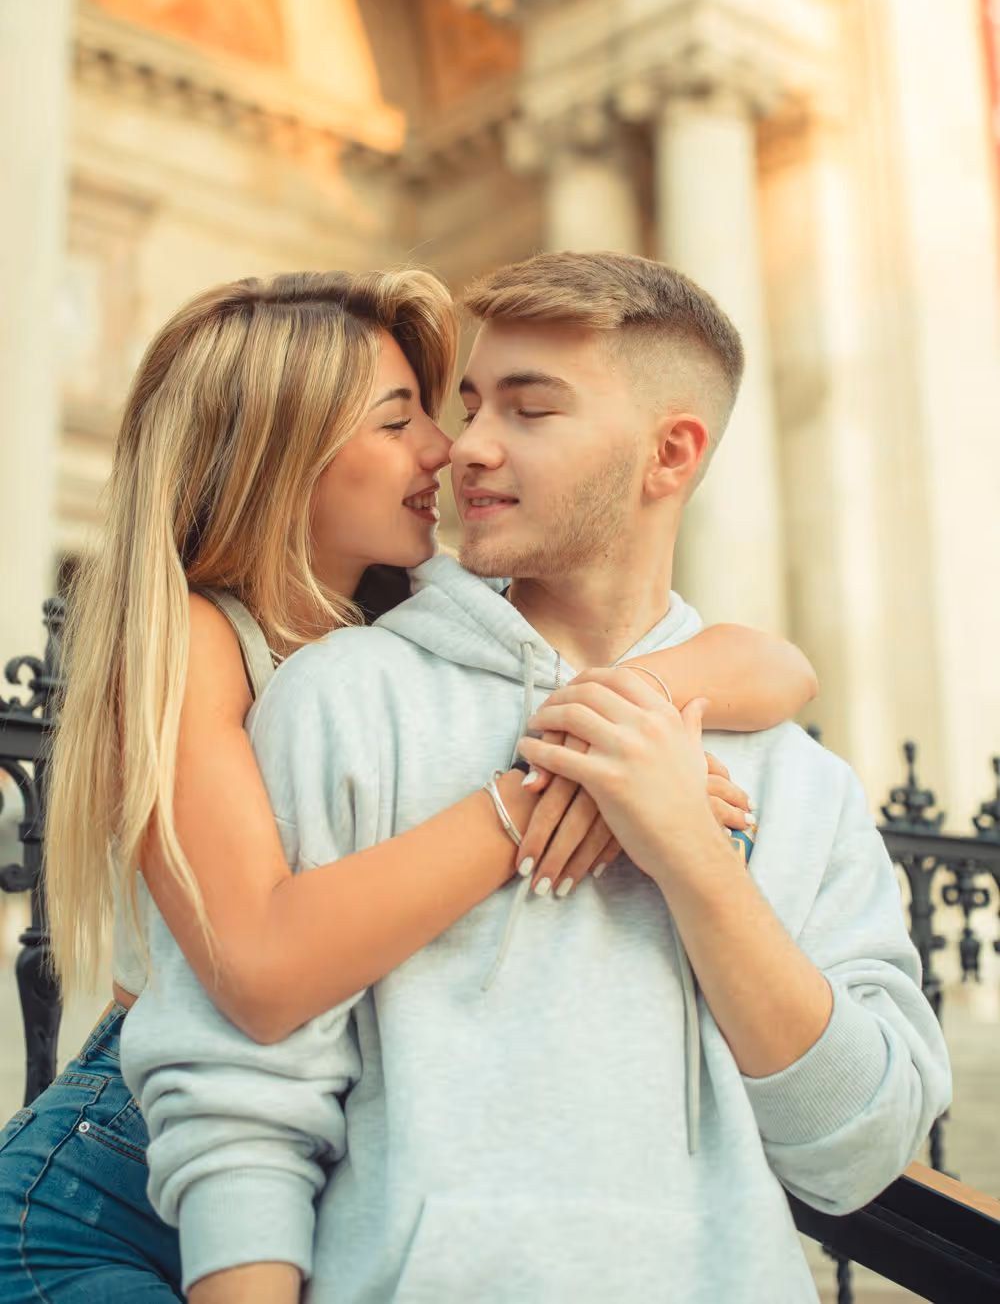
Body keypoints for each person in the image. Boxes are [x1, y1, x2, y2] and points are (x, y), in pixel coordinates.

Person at [121, 251, 952, 1304]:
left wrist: (694, 857)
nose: (462, 447)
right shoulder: (340, 696)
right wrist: (560, 776)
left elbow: (858, 1153)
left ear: (670, 453)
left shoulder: (801, 780)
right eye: (463, 404)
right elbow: (243, 1100)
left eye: (528, 409)